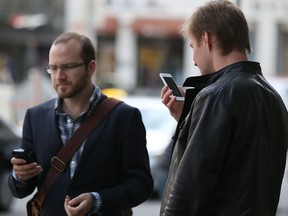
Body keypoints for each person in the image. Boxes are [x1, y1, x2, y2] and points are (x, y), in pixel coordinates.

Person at [160, 0, 288, 215]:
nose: (194, 60)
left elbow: (188, 190)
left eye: (193, 47)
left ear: (206, 38)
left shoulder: (215, 96)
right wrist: (189, 120)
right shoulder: (274, 98)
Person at [8, 32, 153, 216]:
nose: (59, 76)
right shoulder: (35, 117)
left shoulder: (124, 117)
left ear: (91, 67)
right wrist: (20, 176)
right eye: (53, 68)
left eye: (68, 67)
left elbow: (141, 184)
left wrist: (96, 200)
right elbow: (21, 190)